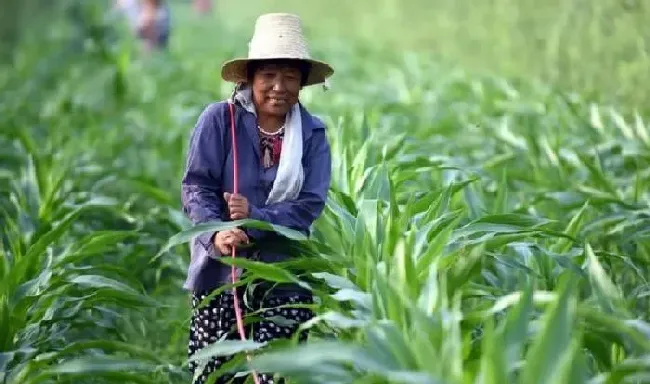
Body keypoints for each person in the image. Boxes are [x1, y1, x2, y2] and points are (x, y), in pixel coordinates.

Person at [180, 13, 334, 384]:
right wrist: (217, 232)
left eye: (290, 77)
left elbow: (309, 204)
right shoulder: (220, 120)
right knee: (214, 372)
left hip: (284, 270)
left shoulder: (312, 134)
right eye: (268, 75)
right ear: (250, 79)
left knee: (275, 372)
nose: (279, 87)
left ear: (302, 84)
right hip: (222, 269)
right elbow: (196, 186)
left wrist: (256, 220)